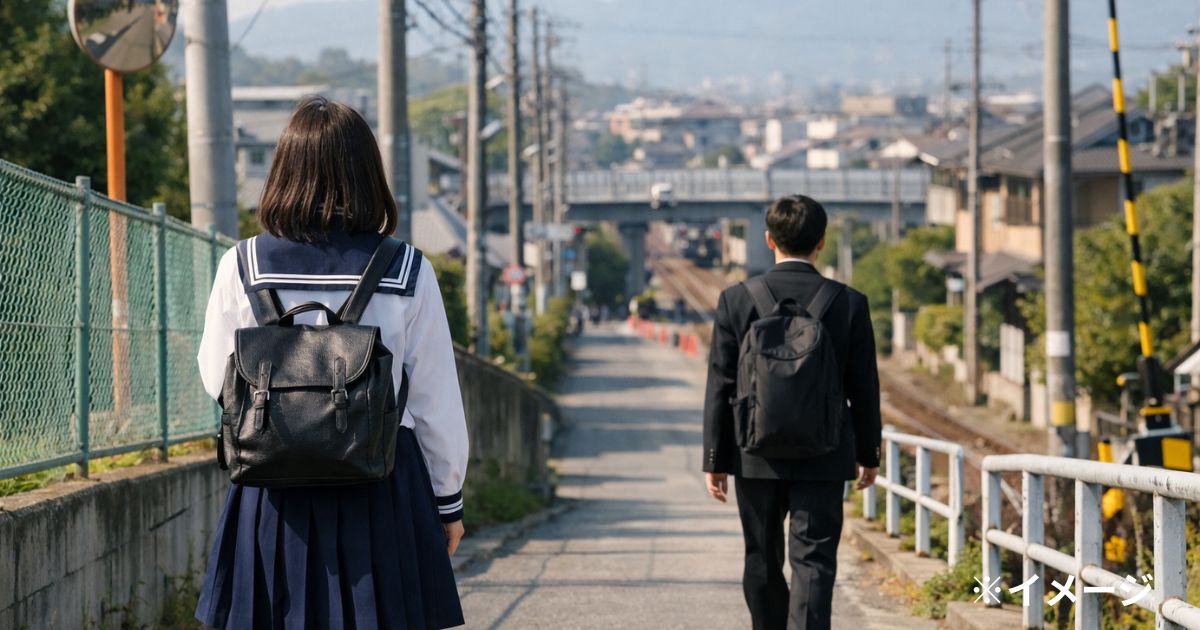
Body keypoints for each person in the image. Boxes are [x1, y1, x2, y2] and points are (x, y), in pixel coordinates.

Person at [194, 96, 468, 630]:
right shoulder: (408, 268)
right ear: (368, 173)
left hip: (274, 486)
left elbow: (216, 376)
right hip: (383, 479)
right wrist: (447, 501)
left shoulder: (243, 264)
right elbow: (435, 399)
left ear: (283, 170)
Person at [702, 194, 881, 630]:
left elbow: (721, 385)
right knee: (814, 560)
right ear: (821, 242)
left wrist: (715, 459)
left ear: (768, 240)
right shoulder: (849, 302)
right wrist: (868, 453)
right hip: (825, 452)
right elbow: (865, 387)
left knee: (761, 556)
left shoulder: (737, 299)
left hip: (754, 453)